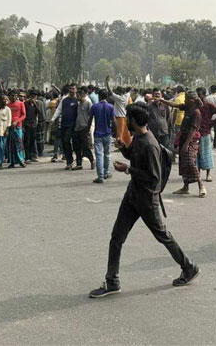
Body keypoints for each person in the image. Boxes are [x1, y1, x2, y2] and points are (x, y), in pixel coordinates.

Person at [89, 102, 200, 298]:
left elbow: (153, 177)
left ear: (132, 120)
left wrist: (129, 170)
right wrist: (124, 149)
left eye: (127, 119)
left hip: (147, 199)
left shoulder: (149, 144)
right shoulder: (139, 138)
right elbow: (134, 156)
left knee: (163, 235)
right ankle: (112, 281)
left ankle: (189, 266)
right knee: (116, 237)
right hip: (133, 196)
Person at [165, 92, 204, 197]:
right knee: (183, 163)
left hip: (191, 140)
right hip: (183, 138)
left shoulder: (196, 113)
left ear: (191, 100)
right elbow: (175, 105)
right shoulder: (187, 108)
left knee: (190, 162)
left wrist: (186, 144)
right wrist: (162, 100)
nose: (184, 100)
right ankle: (185, 186)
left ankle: (201, 185)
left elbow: (193, 129)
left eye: (186, 99)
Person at [196, 88, 216, 182]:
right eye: (197, 95)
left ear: (204, 95)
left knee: (207, 153)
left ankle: (208, 174)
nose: (198, 97)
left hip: (205, 132)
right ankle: (198, 174)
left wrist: (212, 123)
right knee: (197, 154)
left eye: (200, 95)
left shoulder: (208, 106)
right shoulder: (194, 106)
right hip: (195, 132)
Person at [90, 90, 115, 183]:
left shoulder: (95, 107)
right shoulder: (110, 107)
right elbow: (114, 121)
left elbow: (90, 120)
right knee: (107, 154)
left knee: (99, 155)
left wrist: (88, 131)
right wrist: (114, 132)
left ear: (99, 96)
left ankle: (100, 176)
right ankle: (106, 172)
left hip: (97, 133)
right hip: (108, 133)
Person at [54, 85, 80, 170]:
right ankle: (69, 161)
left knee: (74, 143)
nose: (71, 90)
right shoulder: (64, 100)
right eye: (70, 88)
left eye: (73, 88)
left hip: (74, 125)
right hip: (64, 124)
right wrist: (53, 118)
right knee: (65, 142)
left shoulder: (78, 100)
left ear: (76, 90)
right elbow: (59, 109)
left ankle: (79, 162)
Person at [72, 89, 95, 171]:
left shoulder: (88, 103)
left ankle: (92, 161)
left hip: (84, 128)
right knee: (77, 147)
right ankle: (79, 164)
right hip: (77, 128)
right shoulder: (78, 104)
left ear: (82, 95)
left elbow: (91, 116)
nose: (76, 97)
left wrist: (89, 128)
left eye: (78, 95)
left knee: (86, 147)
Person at [106, 77, 132, 147]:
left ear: (119, 92)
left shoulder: (118, 98)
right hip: (124, 116)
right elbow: (130, 90)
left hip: (119, 117)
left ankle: (120, 145)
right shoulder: (126, 96)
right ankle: (128, 143)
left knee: (119, 132)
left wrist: (107, 82)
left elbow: (110, 91)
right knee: (125, 131)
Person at [6, 92, 27, 169]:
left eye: (15, 95)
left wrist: (17, 121)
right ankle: (12, 161)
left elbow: (24, 115)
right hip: (10, 126)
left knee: (19, 143)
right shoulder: (7, 105)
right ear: (9, 96)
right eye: (12, 95)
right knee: (11, 145)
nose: (14, 97)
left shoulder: (21, 104)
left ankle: (21, 160)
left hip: (18, 126)